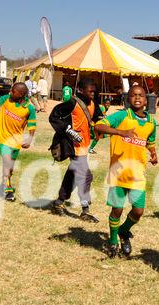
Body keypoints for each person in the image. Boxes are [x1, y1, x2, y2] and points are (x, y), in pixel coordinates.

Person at [94, 85, 158, 258]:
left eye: (141, 95)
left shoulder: (152, 122)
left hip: (138, 174)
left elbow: (149, 141)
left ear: (146, 100)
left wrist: (153, 153)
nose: (137, 98)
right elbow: (99, 126)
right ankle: (113, 241)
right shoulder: (122, 115)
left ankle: (123, 230)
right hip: (118, 172)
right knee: (117, 209)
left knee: (138, 212)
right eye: (133, 95)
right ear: (128, 99)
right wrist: (119, 132)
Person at [50, 78, 103, 222]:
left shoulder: (93, 104)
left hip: (84, 146)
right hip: (72, 146)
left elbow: (99, 118)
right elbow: (53, 116)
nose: (93, 93)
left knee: (72, 174)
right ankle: (85, 210)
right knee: (85, 176)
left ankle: (59, 202)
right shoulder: (72, 103)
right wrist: (69, 130)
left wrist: (104, 126)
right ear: (80, 90)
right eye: (90, 90)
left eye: (94, 90)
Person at [0, 73, 36, 202]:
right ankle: (7, 189)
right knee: (6, 163)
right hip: (3, 139)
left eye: (13, 91)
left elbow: (32, 126)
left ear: (20, 94)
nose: (10, 92)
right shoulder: (6, 99)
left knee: (10, 166)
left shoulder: (29, 109)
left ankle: (7, 181)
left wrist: (30, 139)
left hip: (16, 142)